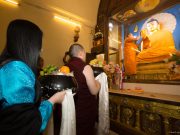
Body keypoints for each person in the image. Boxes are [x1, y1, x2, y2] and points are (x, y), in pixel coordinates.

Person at [0, 19, 65, 135]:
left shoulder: (9, 65)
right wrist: (52, 101)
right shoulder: (16, 71)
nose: (41, 49)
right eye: (39, 45)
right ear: (28, 45)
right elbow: (27, 125)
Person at [66, 43, 101, 135]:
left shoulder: (65, 67)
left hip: (70, 109)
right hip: (84, 110)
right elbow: (94, 91)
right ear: (81, 53)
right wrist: (99, 83)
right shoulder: (85, 67)